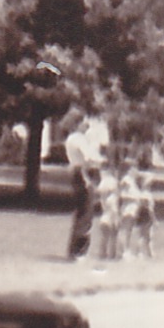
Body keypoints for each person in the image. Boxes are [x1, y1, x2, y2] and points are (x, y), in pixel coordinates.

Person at [63, 110, 111, 260]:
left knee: (82, 212)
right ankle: (79, 251)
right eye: (84, 122)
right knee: (86, 213)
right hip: (84, 174)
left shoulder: (74, 139)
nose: (87, 125)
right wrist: (101, 160)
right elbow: (89, 156)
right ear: (78, 124)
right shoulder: (78, 139)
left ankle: (75, 249)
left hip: (78, 173)